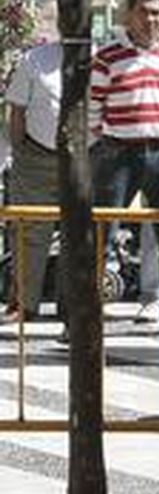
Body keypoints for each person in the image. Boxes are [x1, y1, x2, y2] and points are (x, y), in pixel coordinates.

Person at [89, 0, 159, 363]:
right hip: (117, 153)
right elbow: (93, 109)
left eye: (157, 13)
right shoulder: (108, 57)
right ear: (129, 16)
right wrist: (105, 145)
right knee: (99, 242)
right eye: (145, 12)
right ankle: (85, 332)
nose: (152, 20)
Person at [4, 31, 62, 323]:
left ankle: (72, 308)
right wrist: (21, 152)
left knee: (83, 233)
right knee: (29, 231)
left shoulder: (102, 58)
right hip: (37, 156)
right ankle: (25, 303)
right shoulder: (35, 59)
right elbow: (16, 109)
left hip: (88, 158)